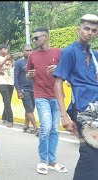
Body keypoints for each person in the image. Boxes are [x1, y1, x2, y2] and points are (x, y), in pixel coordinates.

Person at [54, 14, 98, 180]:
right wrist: (64, 116)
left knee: (95, 157)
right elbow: (58, 83)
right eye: (86, 28)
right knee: (89, 153)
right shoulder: (69, 51)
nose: (89, 33)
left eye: (94, 30)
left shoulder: (95, 56)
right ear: (78, 30)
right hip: (82, 110)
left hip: (97, 110)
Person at [26, 27, 67, 175]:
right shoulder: (32, 55)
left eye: (36, 38)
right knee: (46, 128)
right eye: (33, 38)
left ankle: (52, 160)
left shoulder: (59, 52)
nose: (34, 41)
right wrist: (29, 75)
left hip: (57, 96)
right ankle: (43, 160)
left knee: (55, 129)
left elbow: (68, 72)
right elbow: (28, 75)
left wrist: (59, 68)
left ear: (46, 37)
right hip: (41, 95)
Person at [14, 44, 39, 135]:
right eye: (27, 50)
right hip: (24, 90)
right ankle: (36, 128)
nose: (29, 52)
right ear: (22, 51)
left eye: (30, 50)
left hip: (35, 89)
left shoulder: (35, 61)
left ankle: (26, 126)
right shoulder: (19, 62)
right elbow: (15, 77)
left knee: (29, 108)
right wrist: (18, 90)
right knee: (30, 109)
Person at [0, 43, 15, 127]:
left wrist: (11, 59)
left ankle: (4, 117)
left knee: (7, 101)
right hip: (1, 82)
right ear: (0, 50)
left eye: (7, 49)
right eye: (4, 49)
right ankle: (10, 120)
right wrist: (5, 59)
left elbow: (12, 66)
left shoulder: (9, 58)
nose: (6, 50)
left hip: (10, 81)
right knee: (7, 102)